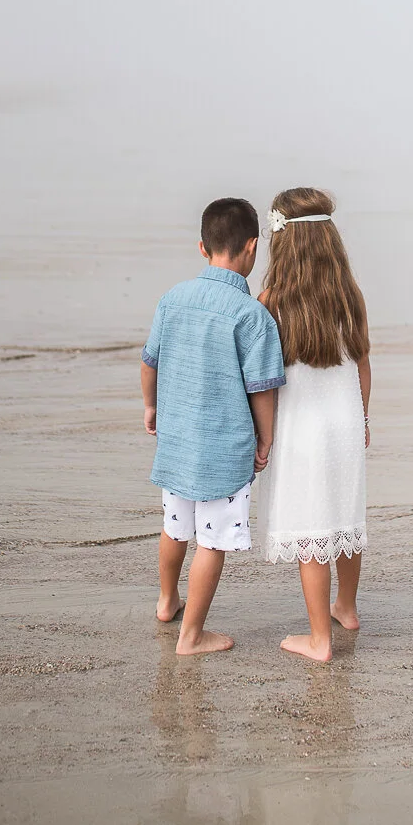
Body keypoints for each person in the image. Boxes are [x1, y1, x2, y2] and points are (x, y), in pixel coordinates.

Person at [140, 197, 285, 656]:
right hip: (223, 446)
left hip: (178, 438)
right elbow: (262, 388)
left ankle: (167, 602)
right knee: (213, 540)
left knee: (175, 526)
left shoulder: (173, 299)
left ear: (202, 248)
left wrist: (150, 408)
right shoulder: (252, 316)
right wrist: (266, 438)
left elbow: (150, 362)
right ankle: (192, 635)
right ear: (253, 247)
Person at [256, 187, 371, 662]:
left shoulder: (272, 302)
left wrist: (258, 434)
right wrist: (363, 418)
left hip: (301, 431)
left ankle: (319, 640)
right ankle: (347, 605)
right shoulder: (349, 297)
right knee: (345, 518)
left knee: (311, 533)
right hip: (345, 424)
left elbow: (263, 380)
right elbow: (363, 365)